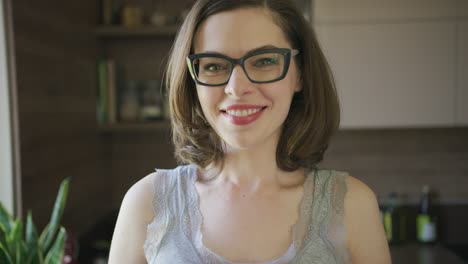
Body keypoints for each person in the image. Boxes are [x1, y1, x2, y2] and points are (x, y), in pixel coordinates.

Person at [108, 0, 391, 263]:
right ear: (193, 80)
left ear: (300, 74)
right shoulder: (146, 203)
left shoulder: (353, 206)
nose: (236, 87)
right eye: (214, 66)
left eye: (264, 61)